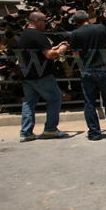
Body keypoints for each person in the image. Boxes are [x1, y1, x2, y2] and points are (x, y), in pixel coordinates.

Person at [70, 10, 106, 141]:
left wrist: (82, 68)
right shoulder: (100, 28)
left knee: (89, 103)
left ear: (76, 22)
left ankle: (94, 133)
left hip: (87, 69)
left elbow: (75, 55)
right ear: (88, 18)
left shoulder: (75, 33)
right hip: (102, 68)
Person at [17, 12, 69, 142]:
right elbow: (49, 55)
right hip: (40, 75)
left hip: (26, 74)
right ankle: (50, 130)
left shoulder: (24, 35)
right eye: (44, 21)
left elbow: (40, 51)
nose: (45, 24)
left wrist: (54, 47)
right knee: (55, 98)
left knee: (29, 102)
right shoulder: (38, 35)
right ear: (36, 20)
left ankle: (26, 132)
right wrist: (62, 49)